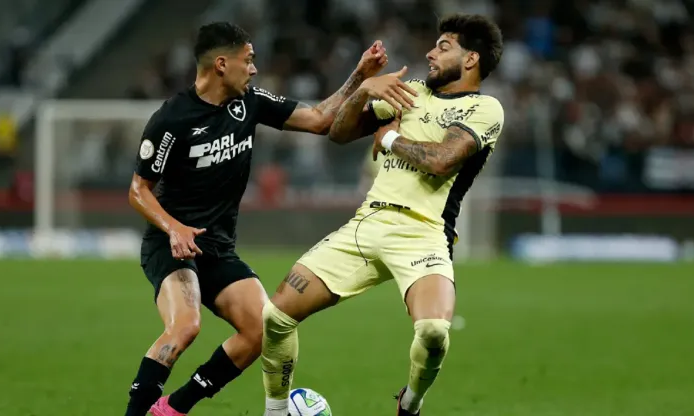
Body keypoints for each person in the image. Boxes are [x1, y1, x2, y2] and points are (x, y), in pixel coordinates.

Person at [125, 21, 391, 416]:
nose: (253, 69)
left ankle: (173, 409)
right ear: (220, 64)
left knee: (262, 329)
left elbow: (319, 119)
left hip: (216, 247)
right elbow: (138, 190)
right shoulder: (172, 119)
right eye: (247, 61)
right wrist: (173, 227)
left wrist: (359, 76)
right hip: (173, 246)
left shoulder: (248, 102)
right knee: (185, 327)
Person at [260, 14, 504, 416]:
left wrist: (389, 137)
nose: (430, 52)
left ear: (472, 59)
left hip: (423, 233)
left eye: (444, 47)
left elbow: (443, 161)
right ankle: (275, 410)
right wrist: (364, 89)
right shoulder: (409, 91)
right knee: (276, 316)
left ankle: (410, 401)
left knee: (433, 333)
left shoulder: (485, 108)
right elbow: (339, 133)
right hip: (367, 223)